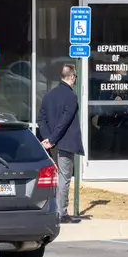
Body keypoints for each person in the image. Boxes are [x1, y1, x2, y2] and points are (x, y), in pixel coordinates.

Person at [38, 64, 84, 223]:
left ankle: (55, 209)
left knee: (57, 177)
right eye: (75, 77)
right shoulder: (71, 96)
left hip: (53, 144)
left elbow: (41, 119)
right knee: (64, 178)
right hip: (63, 143)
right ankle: (61, 212)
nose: (75, 80)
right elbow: (64, 122)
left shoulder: (49, 95)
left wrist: (47, 138)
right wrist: (51, 139)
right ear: (71, 77)